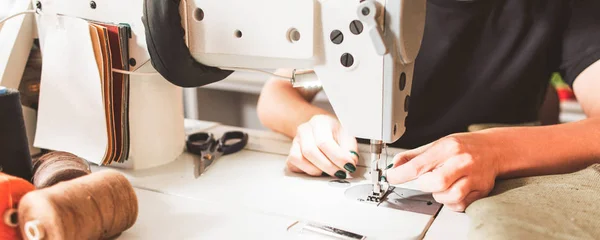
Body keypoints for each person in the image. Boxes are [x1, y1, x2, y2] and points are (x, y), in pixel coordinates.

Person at [257, 0, 600, 212]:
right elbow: (275, 95)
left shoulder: (567, 6)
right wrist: (315, 122)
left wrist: (498, 151)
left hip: (487, 193)